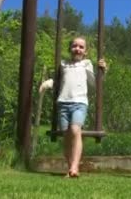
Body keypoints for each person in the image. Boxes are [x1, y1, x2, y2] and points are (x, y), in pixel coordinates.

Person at [39, 36, 107, 178]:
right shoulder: (64, 64)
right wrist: (47, 84)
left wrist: (102, 71)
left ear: (85, 51)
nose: (77, 49)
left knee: (75, 130)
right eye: (75, 46)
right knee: (66, 136)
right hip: (63, 102)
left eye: (81, 47)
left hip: (79, 102)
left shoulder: (87, 64)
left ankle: (75, 166)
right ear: (70, 49)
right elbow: (58, 82)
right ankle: (70, 168)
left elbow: (95, 84)